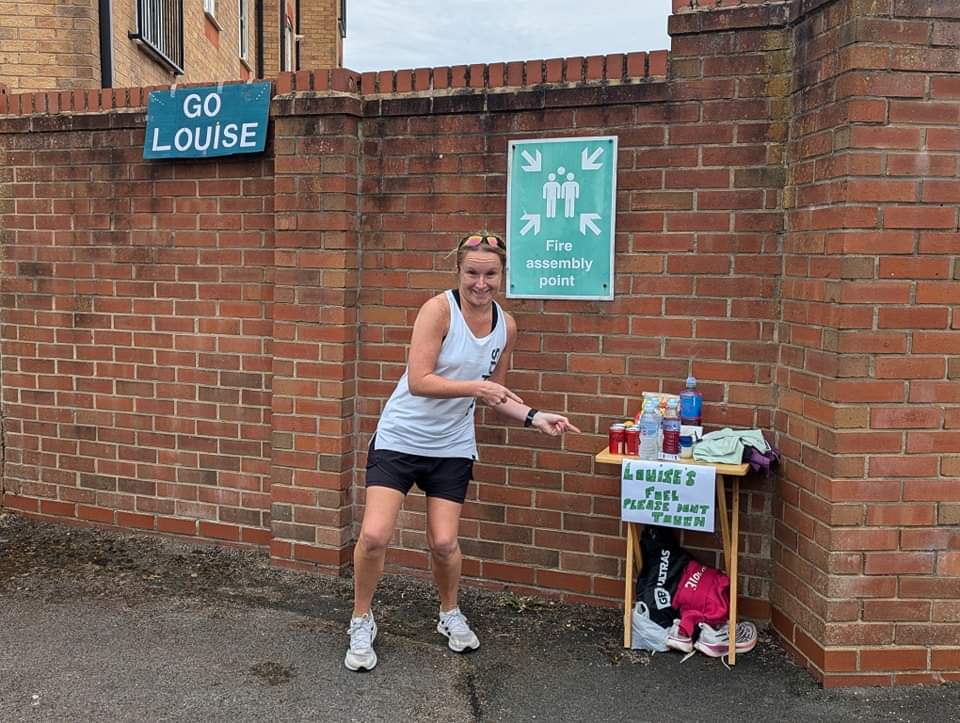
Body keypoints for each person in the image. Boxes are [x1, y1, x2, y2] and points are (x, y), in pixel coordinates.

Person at [345, 231, 581, 672]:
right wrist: (475, 387)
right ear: (458, 271)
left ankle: (448, 613)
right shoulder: (438, 311)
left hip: (451, 446)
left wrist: (535, 416)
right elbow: (420, 380)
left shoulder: (505, 325)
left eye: (490, 274)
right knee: (375, 535)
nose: (481, 283)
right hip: (400, 438)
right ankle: (361, 618)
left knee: (444, 541)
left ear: (502, 275)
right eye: (472, 273)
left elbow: (497, 394)